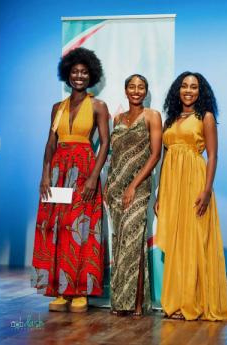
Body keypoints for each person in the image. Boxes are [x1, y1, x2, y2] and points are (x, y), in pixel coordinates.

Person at [31, 47, 110, 313]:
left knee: (82, 230)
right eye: (75, 71)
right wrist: (45, 174)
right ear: (67, 74)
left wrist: (93, 178)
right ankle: (60, 290)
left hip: (85, 171)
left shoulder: (98, 106)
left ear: (91, 75)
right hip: (58, 172)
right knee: (56, 227)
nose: (79, 76)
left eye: (84, 72)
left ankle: (80, 292)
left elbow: (105, 143)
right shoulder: (57, 108)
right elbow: (50, 142)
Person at [154, 72, 227, 321]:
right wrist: (159, 192)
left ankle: (192, 302)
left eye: (194, 87)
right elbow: (165, 157)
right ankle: (174, 303)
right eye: (184, 86)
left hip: (194, 181)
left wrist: (207, 190)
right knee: (176, 243)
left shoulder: (205, 117)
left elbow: (213, 155)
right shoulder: (170, 119)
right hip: (171, 185)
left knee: (192, 240)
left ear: (201, 91)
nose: (188, 90)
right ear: (178, 90)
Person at [104, 74, 162, 316]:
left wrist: (133, 186)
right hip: (115, 187)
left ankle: (137, 303)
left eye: (141, 87)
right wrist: (109, 184)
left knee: (134, 242)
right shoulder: (118, 118)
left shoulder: (152, 116)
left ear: (146, 92)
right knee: (121, 243)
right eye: (132, 87)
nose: (136, 91)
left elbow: (155, 154)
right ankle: (122, 302)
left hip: (139, 188)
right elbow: (114, 155)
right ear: (125, 91)